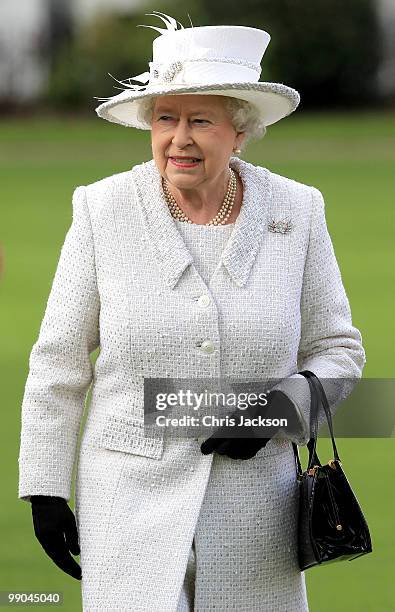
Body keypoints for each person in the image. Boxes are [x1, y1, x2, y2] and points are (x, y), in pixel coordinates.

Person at [18, 11, 366, 612]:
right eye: (165, 119)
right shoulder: (102, 210)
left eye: (200, 121)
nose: (179, 138)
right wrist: (45, 491)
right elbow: (59, 364)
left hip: (258, 514)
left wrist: (273, 412)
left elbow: (339, 350)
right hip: (126, 503)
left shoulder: (298, 211)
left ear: (240, 132)